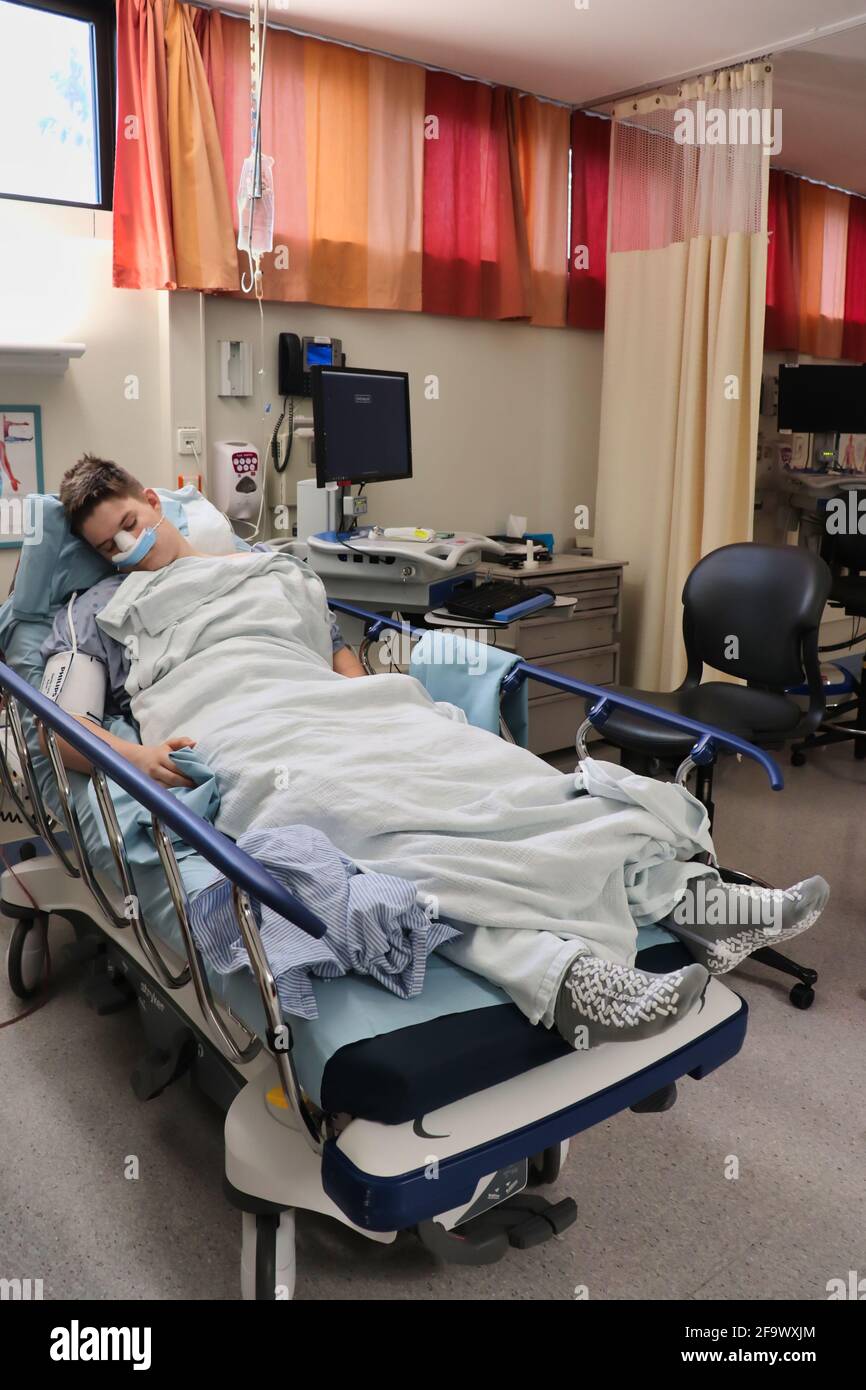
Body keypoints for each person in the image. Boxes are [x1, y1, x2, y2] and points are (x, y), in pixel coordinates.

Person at [42, 456, 830, 1052]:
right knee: (359, 824)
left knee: (498, 774)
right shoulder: (94, 612)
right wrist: (141, 760)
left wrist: (383, 706)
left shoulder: (271, 570)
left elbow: (336, 659)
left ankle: (693, 898)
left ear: (153, 499)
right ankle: (564, 977)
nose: (124, 547)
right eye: (106, 544)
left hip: (335, 709)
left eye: (127, 522)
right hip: (239, 729)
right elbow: (63, 729)